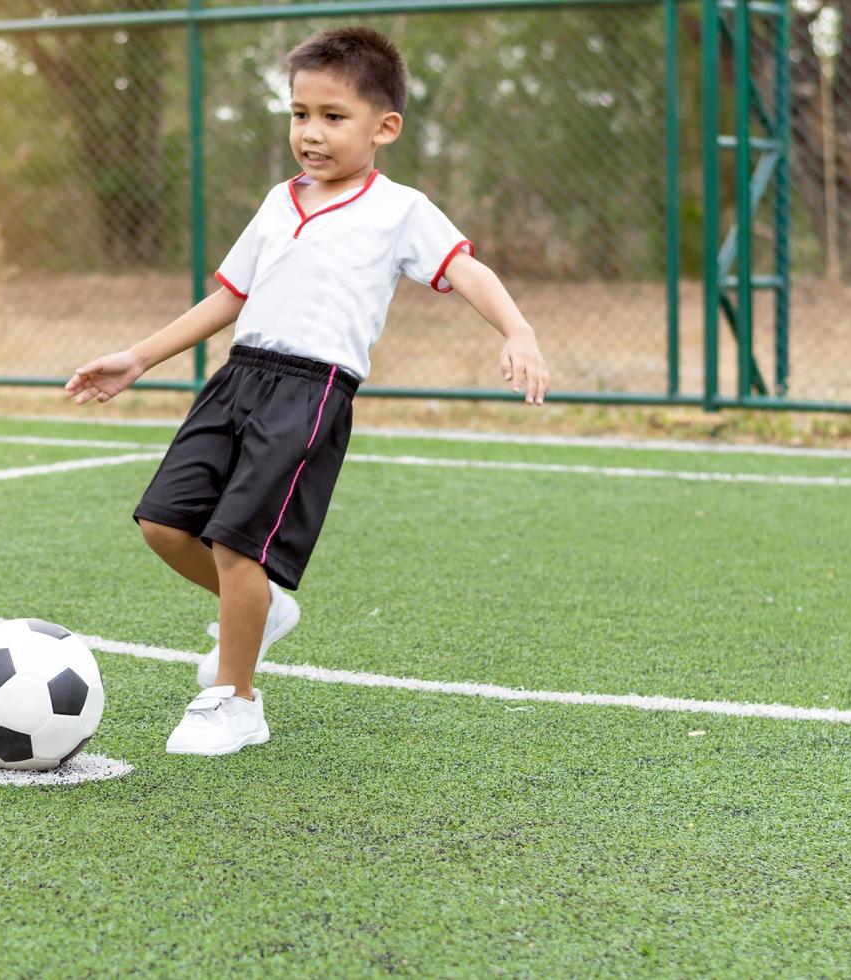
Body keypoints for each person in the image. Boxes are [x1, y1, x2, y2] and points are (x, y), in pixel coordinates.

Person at [64, 25, 550, 756]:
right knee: (164, 524)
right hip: (237, 378)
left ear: (385, 127)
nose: (311, 133)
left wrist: (518, 332)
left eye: (333, 116)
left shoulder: (401, 209)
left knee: (237, 545)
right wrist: (139, 357)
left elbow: (468, 271)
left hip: (311, 391)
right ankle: (265, 611)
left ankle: (234, 700)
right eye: (299, 114)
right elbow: (228, 296)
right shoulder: (277, 201)